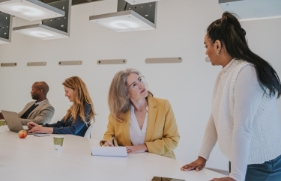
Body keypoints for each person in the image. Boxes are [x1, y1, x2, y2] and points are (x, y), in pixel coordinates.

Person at [181, 12, 281, 181]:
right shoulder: (225, 73)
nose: (206, 52)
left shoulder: (247, 72)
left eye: (207, 46)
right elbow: (215, 117)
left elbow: (242, 127)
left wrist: (236, 176)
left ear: (218, 46)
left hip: (261, 166)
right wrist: (202, 157)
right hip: (240, 161)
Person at [101, 68, 180, 159]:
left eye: (140, 80)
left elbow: (173, 140)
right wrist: (108, 142)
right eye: (134, 84)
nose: (141, 85)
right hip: (130, 164)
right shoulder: (118, 113)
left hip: (160, 162)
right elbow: (109, 134)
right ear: (125, 93)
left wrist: (144, 147)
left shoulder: (163, 105)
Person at [28, 76, 95, 136]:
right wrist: (41, 127)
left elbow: (73, 130)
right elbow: (61, 124)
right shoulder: (74, 107)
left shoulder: (86, 106)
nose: (65, 95)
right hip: (69, 141)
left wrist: (46, 130)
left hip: (76, 144)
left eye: (67, 91)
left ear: (76, 90)